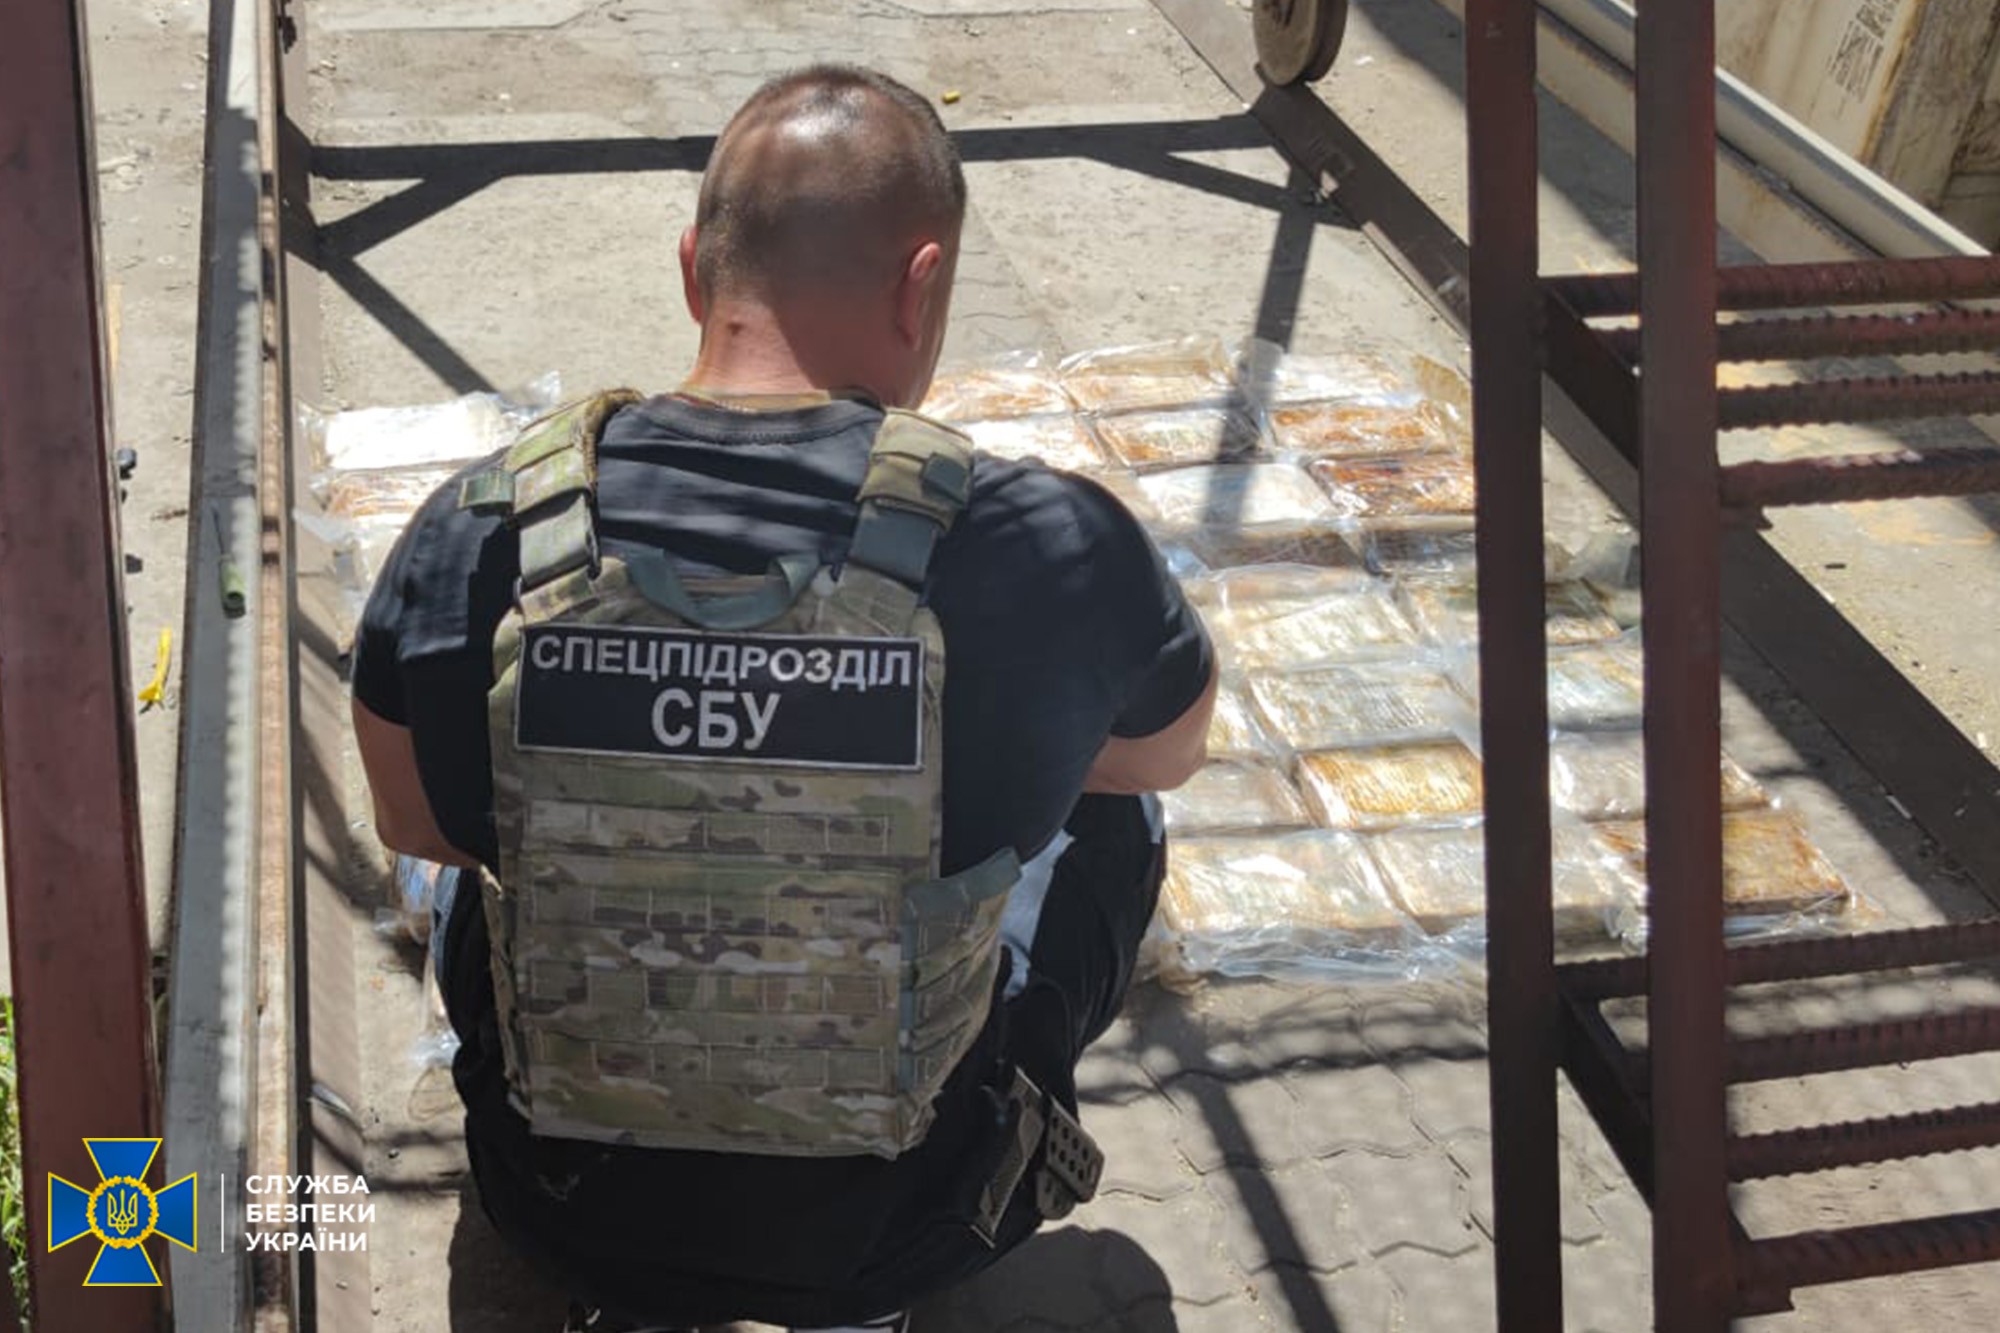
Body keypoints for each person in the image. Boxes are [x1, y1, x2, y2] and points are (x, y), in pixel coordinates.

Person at [351, 64, 1216, 1333]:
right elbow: (1165, 751)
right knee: (1113, 818)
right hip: (909, 1222)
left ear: (692, 270)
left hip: (562, 1204)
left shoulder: (480, 529)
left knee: (465, 862)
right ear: (920, 286)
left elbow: (410, 821)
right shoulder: (1040, 541)